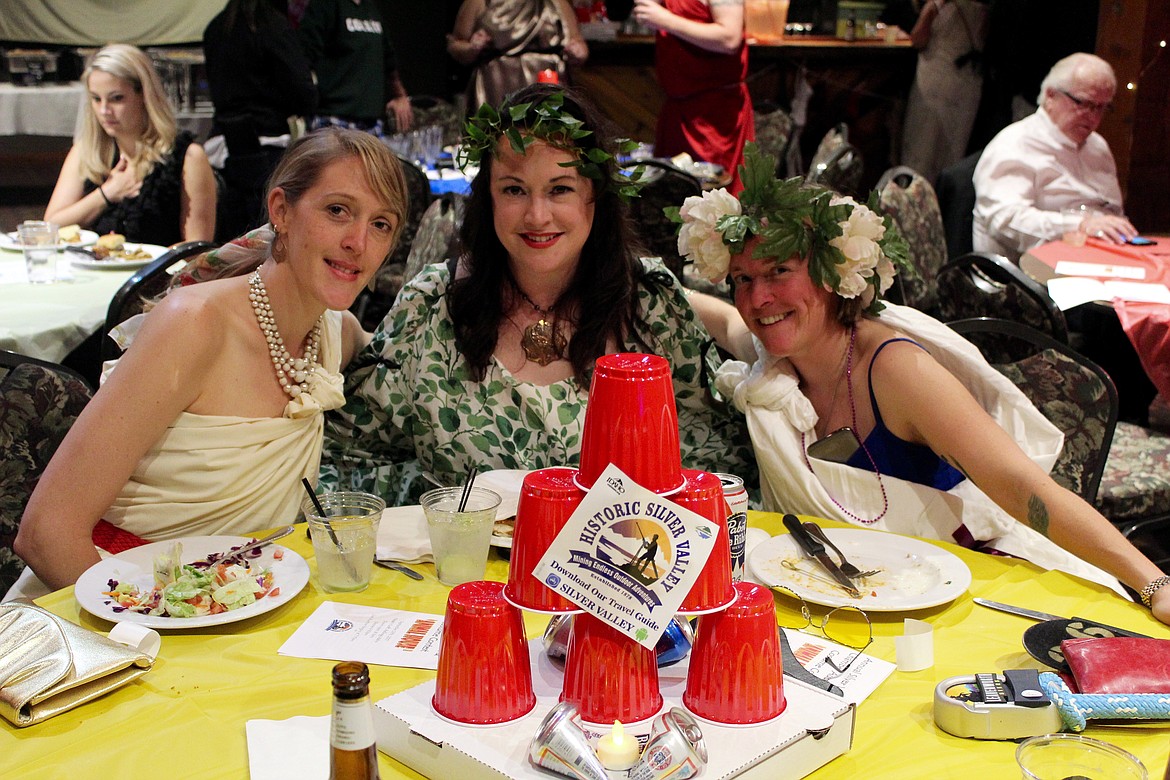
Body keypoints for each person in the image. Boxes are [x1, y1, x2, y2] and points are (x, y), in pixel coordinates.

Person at [674, 142, 1170, 624]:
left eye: (780, 271)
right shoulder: (777, 361)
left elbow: (1023, 488)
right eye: (742, 278)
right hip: (847, 603)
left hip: (966, 592)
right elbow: (726, 321)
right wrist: (650, 278)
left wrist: (1155, 584)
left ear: (834, 272)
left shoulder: (895, 369)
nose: (758, 297)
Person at [11, 128, 409, 596]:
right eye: (337, 210)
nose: (358, 242)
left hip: (234, 602)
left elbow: (415, 361)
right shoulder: (193, 325)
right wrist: (148, 635)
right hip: (107, 603)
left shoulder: (334, 333)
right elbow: (45, 533)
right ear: (281, 210)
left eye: (381, 224)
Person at [322, 83, 755, 505]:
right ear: (488, 198)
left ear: (595, 198)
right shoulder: (433, 305)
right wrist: (443, 513)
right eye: (514, 189)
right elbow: (352, 459)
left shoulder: (651, 307)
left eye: (560, 189)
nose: (537, 215)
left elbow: (717, 468)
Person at [44, 44, 216, 246]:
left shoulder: (187, 156)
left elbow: (196, 246)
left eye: (116, 98)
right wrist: (107, 194)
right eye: (96, 99)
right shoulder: (87, 150)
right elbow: (51, 225)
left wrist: (139, 263)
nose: (104, 110)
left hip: (161, 275)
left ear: (144, 95)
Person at [972, 52, 1137, 263]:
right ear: (1051, 95)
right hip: (1027, 275)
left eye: (1101, 107)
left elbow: (1113, 212)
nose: (1093, 116)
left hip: (1097, 262)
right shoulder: (1015, 143)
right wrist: (1080, 225)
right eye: (1083, 103)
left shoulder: (1098, 147)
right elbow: (1004, 220)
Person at [203, 0, 319, 241]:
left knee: (229, 244)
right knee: (267, 243)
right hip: (266, 150)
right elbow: (303, 93)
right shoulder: (273, 25)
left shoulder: (216, 27)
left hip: (221, 151)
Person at [632, 0, 754, 192]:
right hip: (677, 111)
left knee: (717, 205)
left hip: (715, 117)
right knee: (670, 203)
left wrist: (665, 19)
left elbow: (729, 38)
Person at [900, 0, 989, 183]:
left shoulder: (936, 5)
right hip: (968, 85)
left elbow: (918, 39)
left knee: (922, 144)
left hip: (935, 81)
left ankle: (911, 197)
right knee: (953, 149)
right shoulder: (982, 8)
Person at [447, 0, 589, 113]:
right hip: (496, 86)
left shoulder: (556, 2)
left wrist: (578, 52)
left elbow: (577, 43)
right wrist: (472, 47)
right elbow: (456, 45)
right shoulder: (481, 2)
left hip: (545, 87)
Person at [297, 0, 413, 135]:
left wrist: (400, 95)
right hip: (333, 120)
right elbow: (302, 58)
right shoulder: (325, 6)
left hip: (371, 123)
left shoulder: (370, 8)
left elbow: (389, 60)